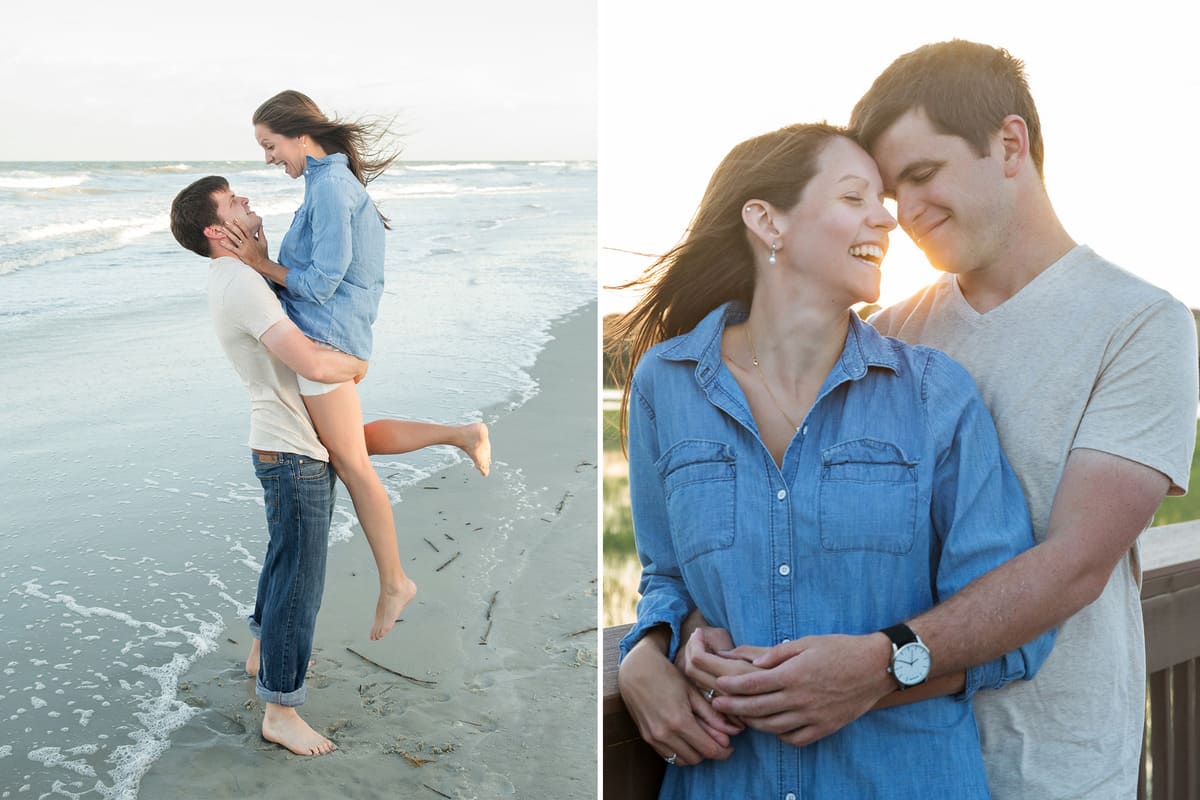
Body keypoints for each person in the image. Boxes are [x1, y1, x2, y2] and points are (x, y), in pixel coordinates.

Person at [647, 40, 1198, 799]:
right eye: (884, 189)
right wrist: (663, 646)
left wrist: (878, 666)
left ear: (1010, 143)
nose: (903, 214)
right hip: (880, 759)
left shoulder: (1141, 323)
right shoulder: (891, 338)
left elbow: (1075, 561)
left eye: (922, 175)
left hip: (1056, 767)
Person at [609, 122, 1054, 798]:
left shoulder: (935, 394)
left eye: (883, 198)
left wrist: (876, 676)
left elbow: (1014, 630)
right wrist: (646, 652)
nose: (888, 217)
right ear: (767, 221)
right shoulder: (664, 385)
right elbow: (665, 576)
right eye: (856, 197)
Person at [219, 90, 491, 642]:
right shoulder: (325, 184)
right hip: (329, 340)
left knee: (350, 462)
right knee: (350, 445)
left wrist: (258, 262)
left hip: (326, 342)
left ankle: (395, 581)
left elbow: (321, 285)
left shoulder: (333, 188)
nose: (269, 159)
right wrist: (267, 253)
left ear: (299, 135)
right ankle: (461, 434)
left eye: (270, 146)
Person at [169, 175, 363, 756]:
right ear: (215, 230)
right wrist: (356, 364)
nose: (248, 202)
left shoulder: (241, 275)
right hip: (291, 447)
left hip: (284, 442)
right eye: (235, 203)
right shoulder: (240, 284)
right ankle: (280, 708)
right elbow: (308, 360)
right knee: (301, 582)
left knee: (285, 561)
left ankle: (260, 651)